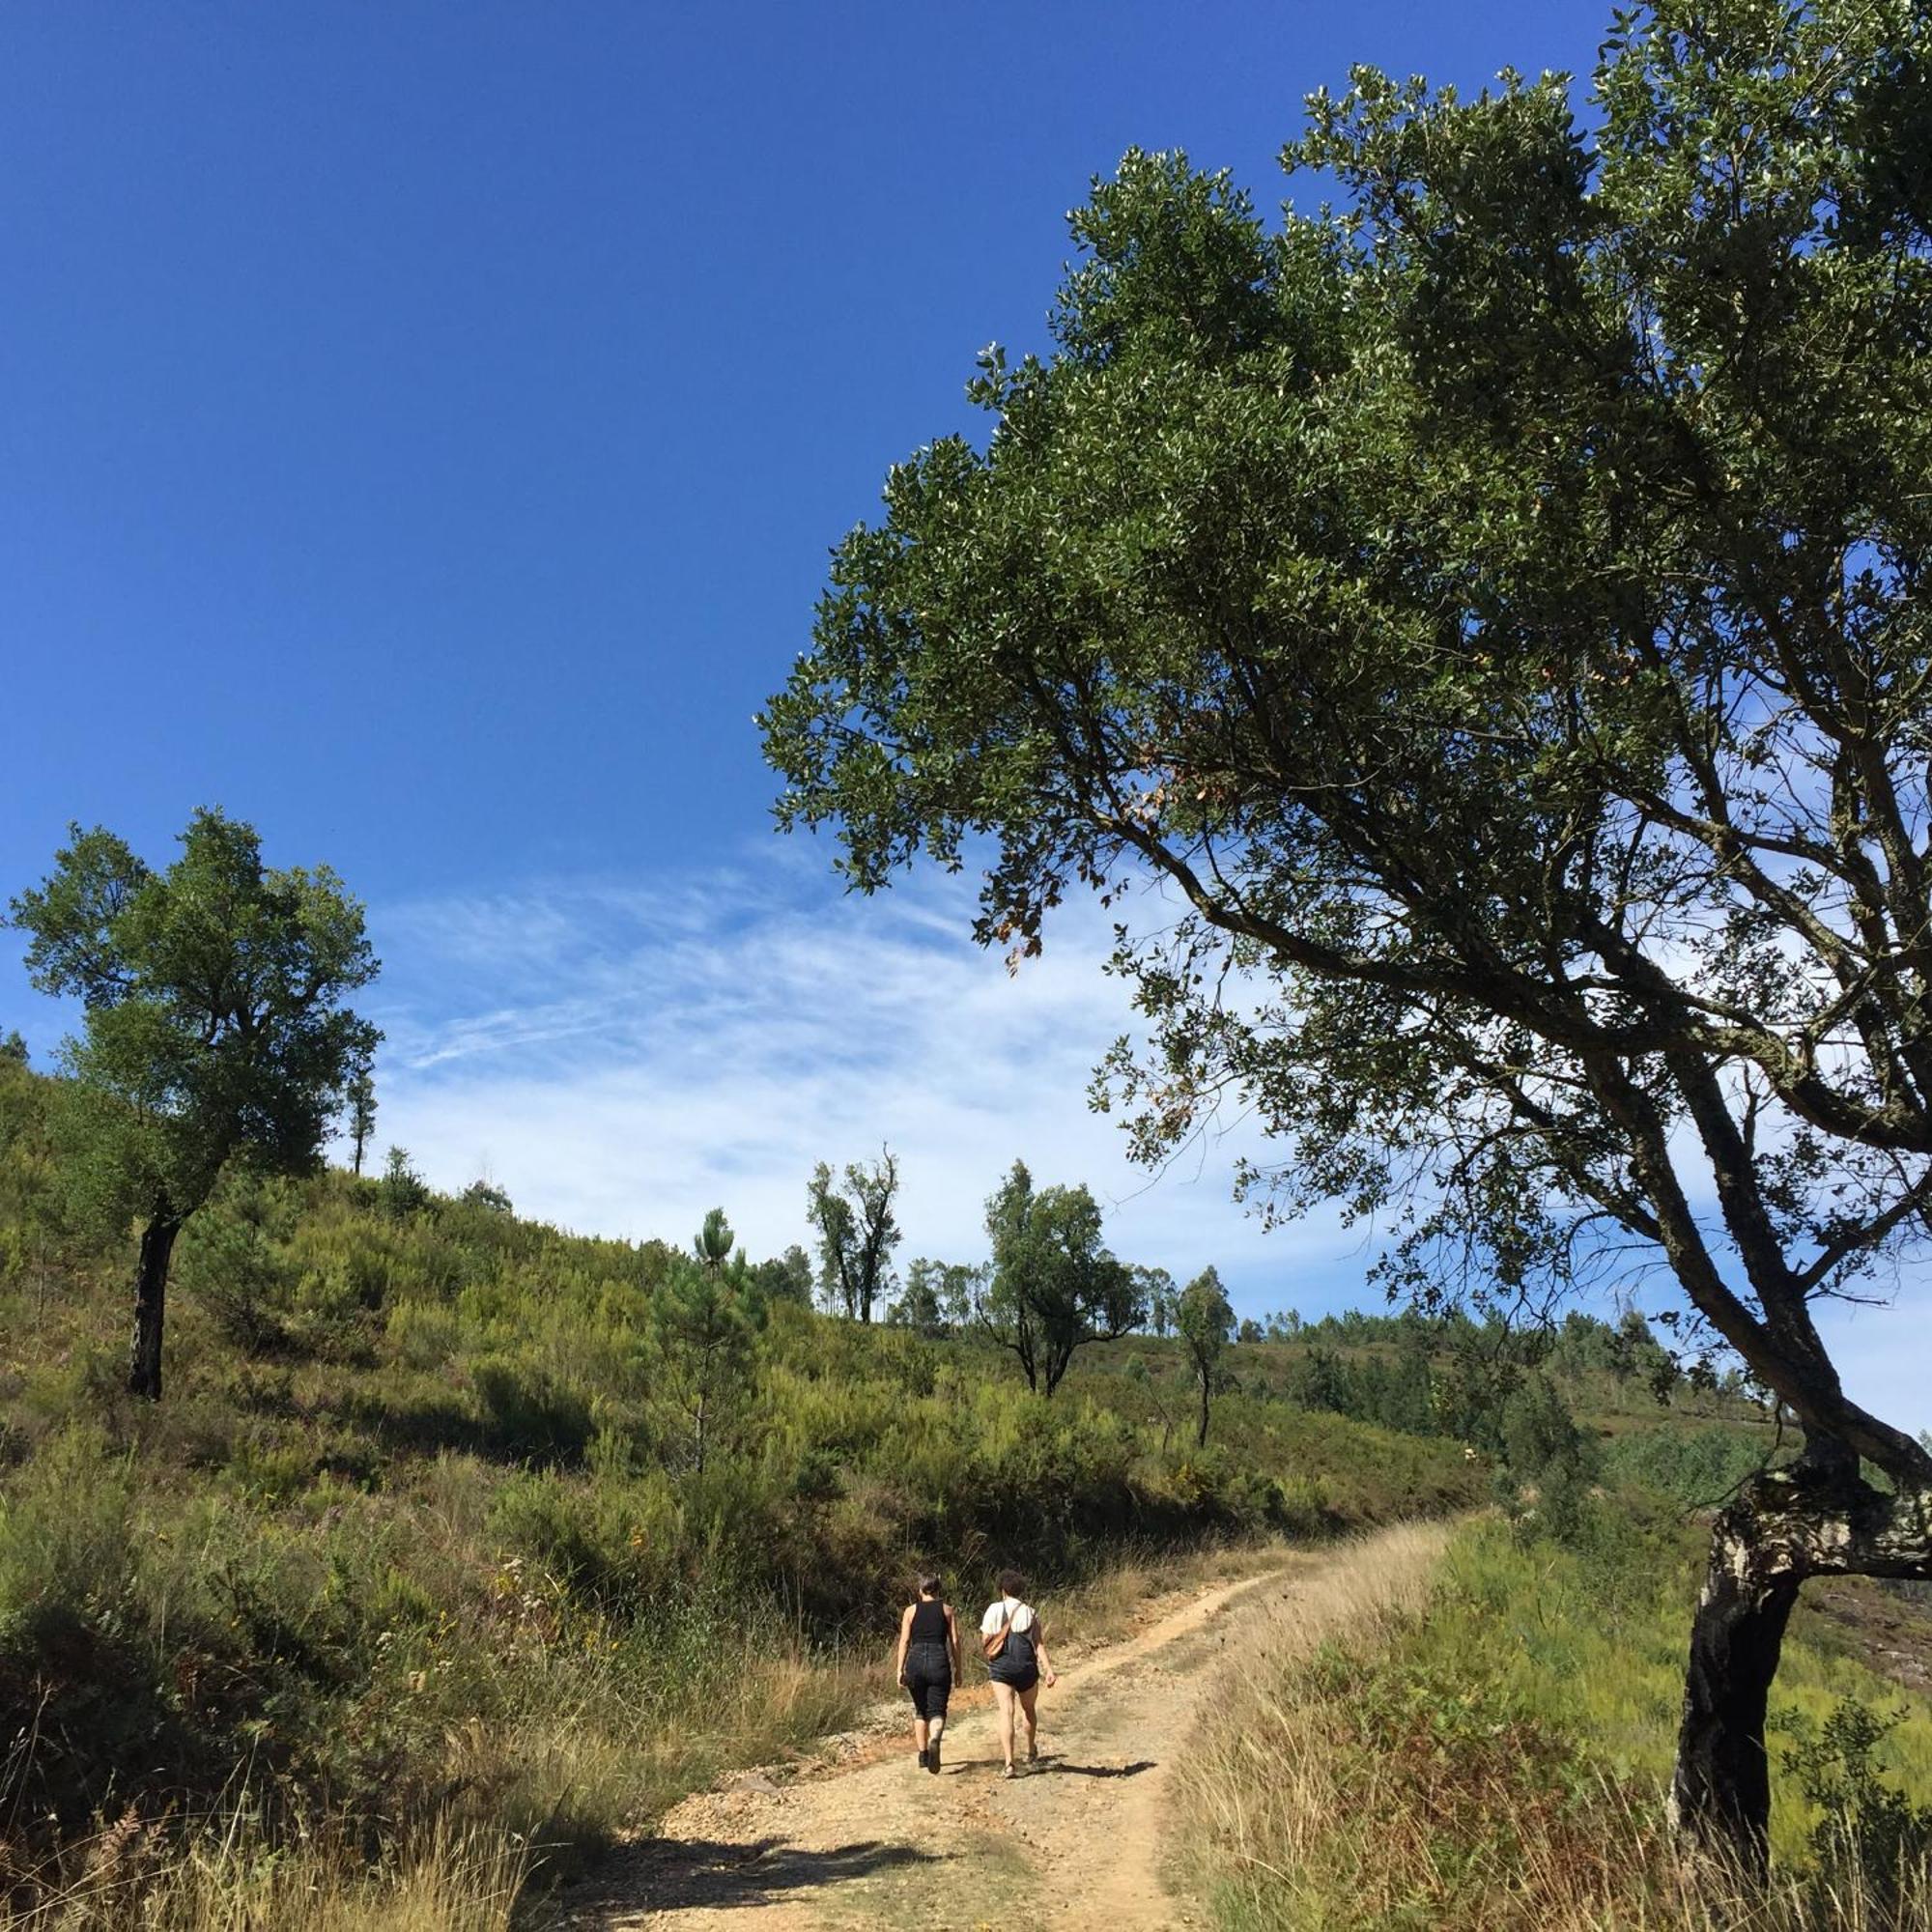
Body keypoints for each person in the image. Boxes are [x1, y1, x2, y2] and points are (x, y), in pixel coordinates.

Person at [980, 1567, 1057, 1776]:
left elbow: (985, 1641)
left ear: (1002, 1589)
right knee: (1029, 1709)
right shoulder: (1031, 1613)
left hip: (1001, 1667)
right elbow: (1038, 1644)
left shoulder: (993, 1609)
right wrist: (1048, 1669)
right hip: (1026, 1667)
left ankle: (1009, 1763)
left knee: (1006, 1712)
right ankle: (1031, 1751)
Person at [895, 1573, 961, 1774]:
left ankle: (923, 1756)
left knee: (920, 1710)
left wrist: (899, 1669)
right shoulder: (947, 1610)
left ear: (920, 1590)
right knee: (937, 1710)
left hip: (915, 1660)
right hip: (938, 1660)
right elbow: (955, 1642)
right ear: (939, 1590)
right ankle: (935, 1739)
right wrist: (958, 1669)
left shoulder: (910, 1611)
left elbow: (904, 1641)